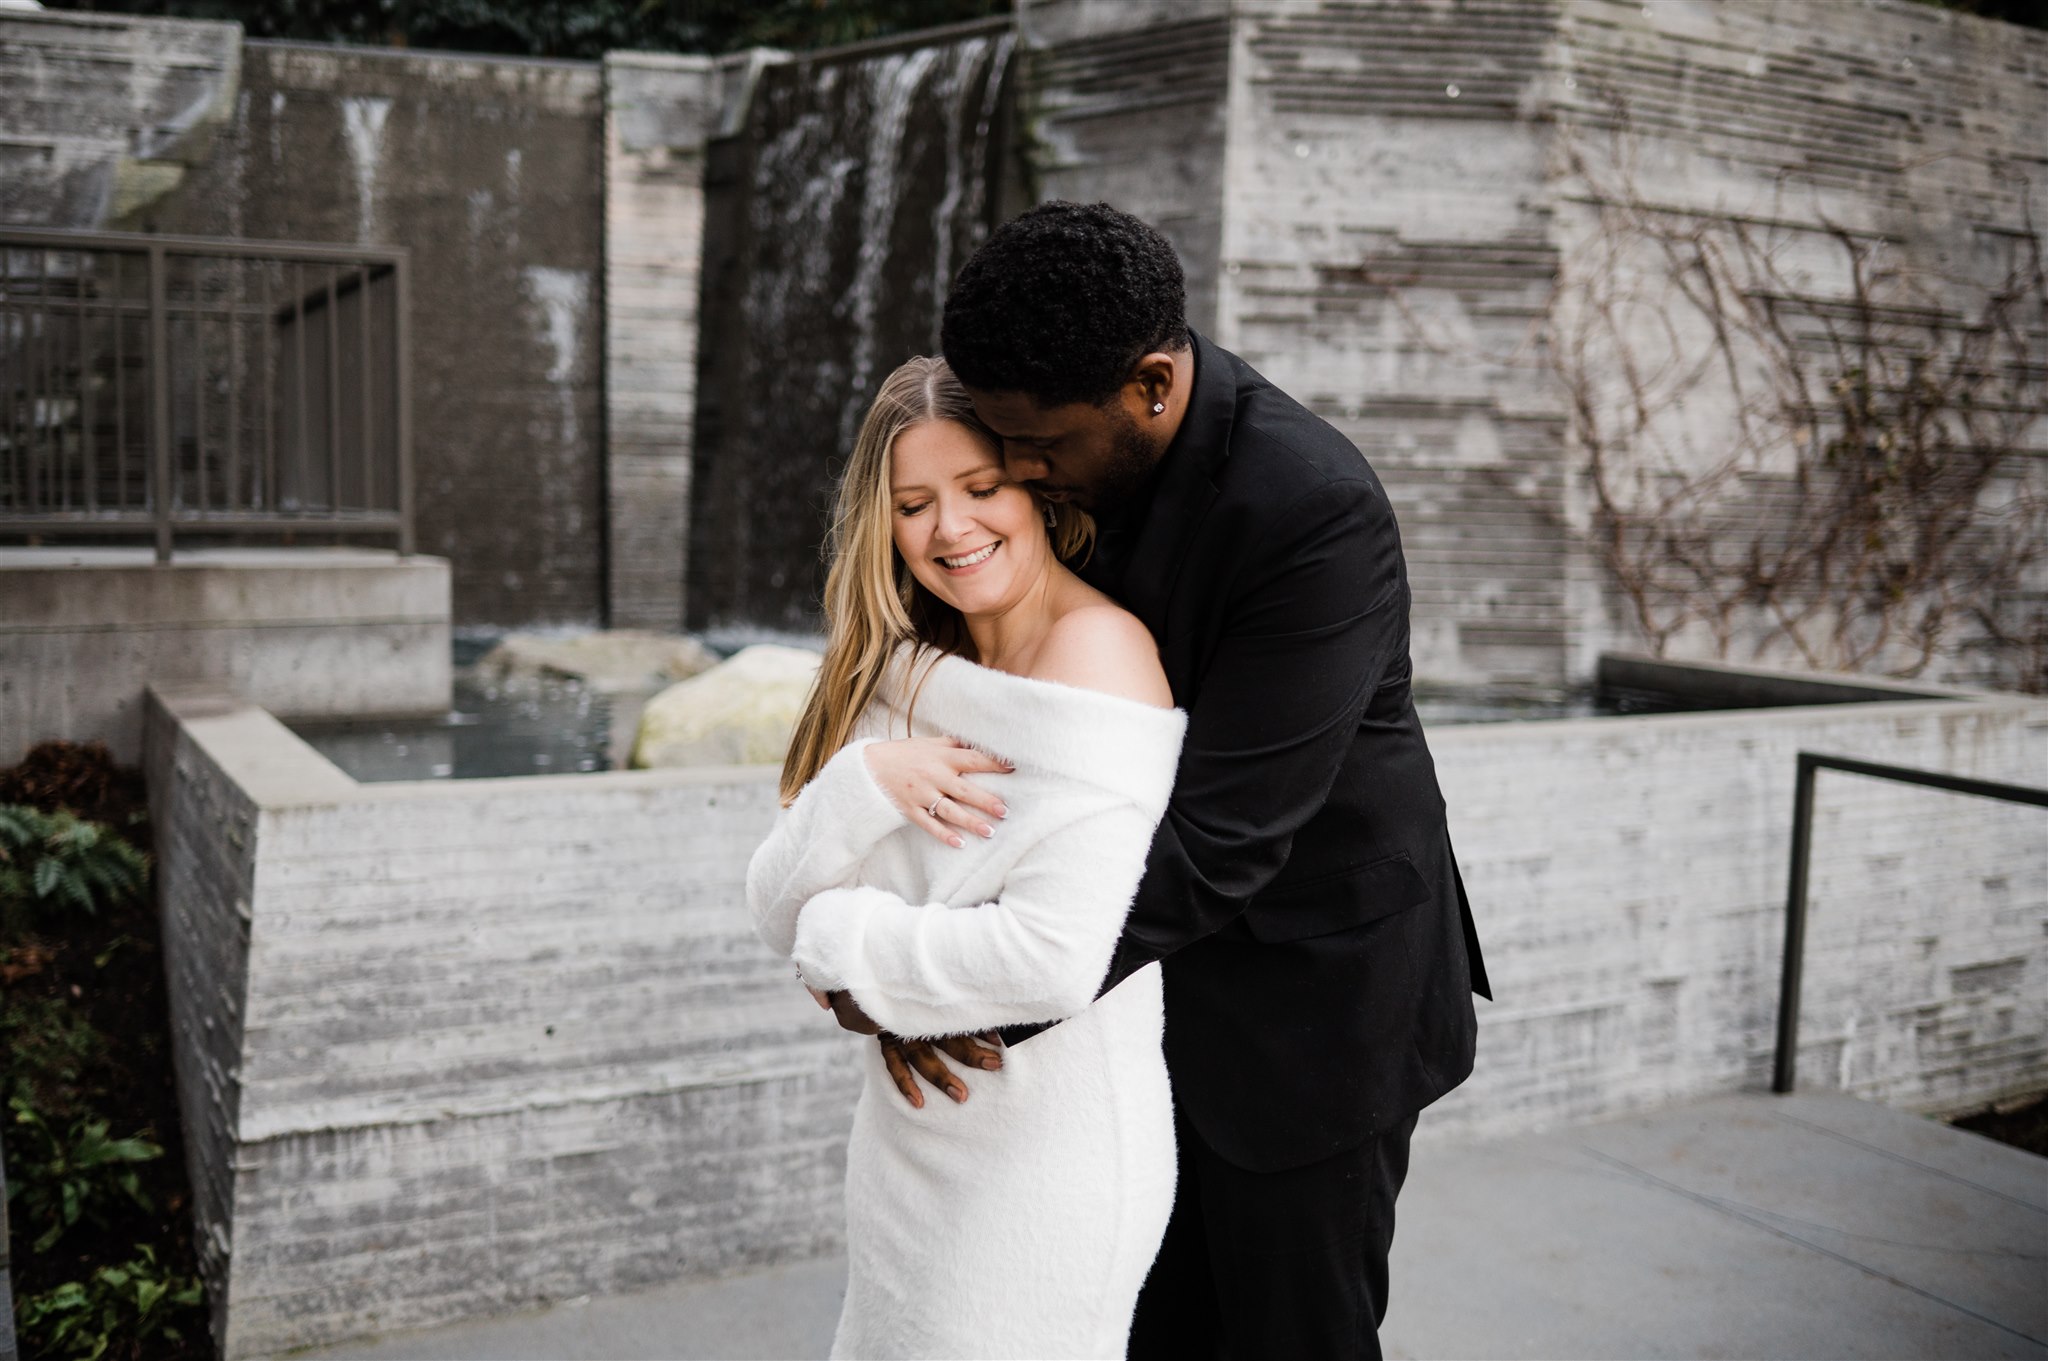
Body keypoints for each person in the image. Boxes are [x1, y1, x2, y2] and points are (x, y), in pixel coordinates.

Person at [860, 201, 1493, 1360]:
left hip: (1310, 1004)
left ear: (1151, 384)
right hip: (1133, 1007)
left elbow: (1222, 840)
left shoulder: (1310, 512)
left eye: (1038, 448)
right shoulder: (1061, 433)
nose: (1021, 474)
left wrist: (952, 990)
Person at [744, 355, 1186, 1359]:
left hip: (1044, 1155)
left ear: (1033, 486)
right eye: (912, 503)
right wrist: (863, 785)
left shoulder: (1102, 657)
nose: (950, 527)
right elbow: (771, 907)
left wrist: (847, 945)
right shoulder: (894, 661)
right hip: (907, 1150)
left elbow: (1052, 956)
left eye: (980, 489)